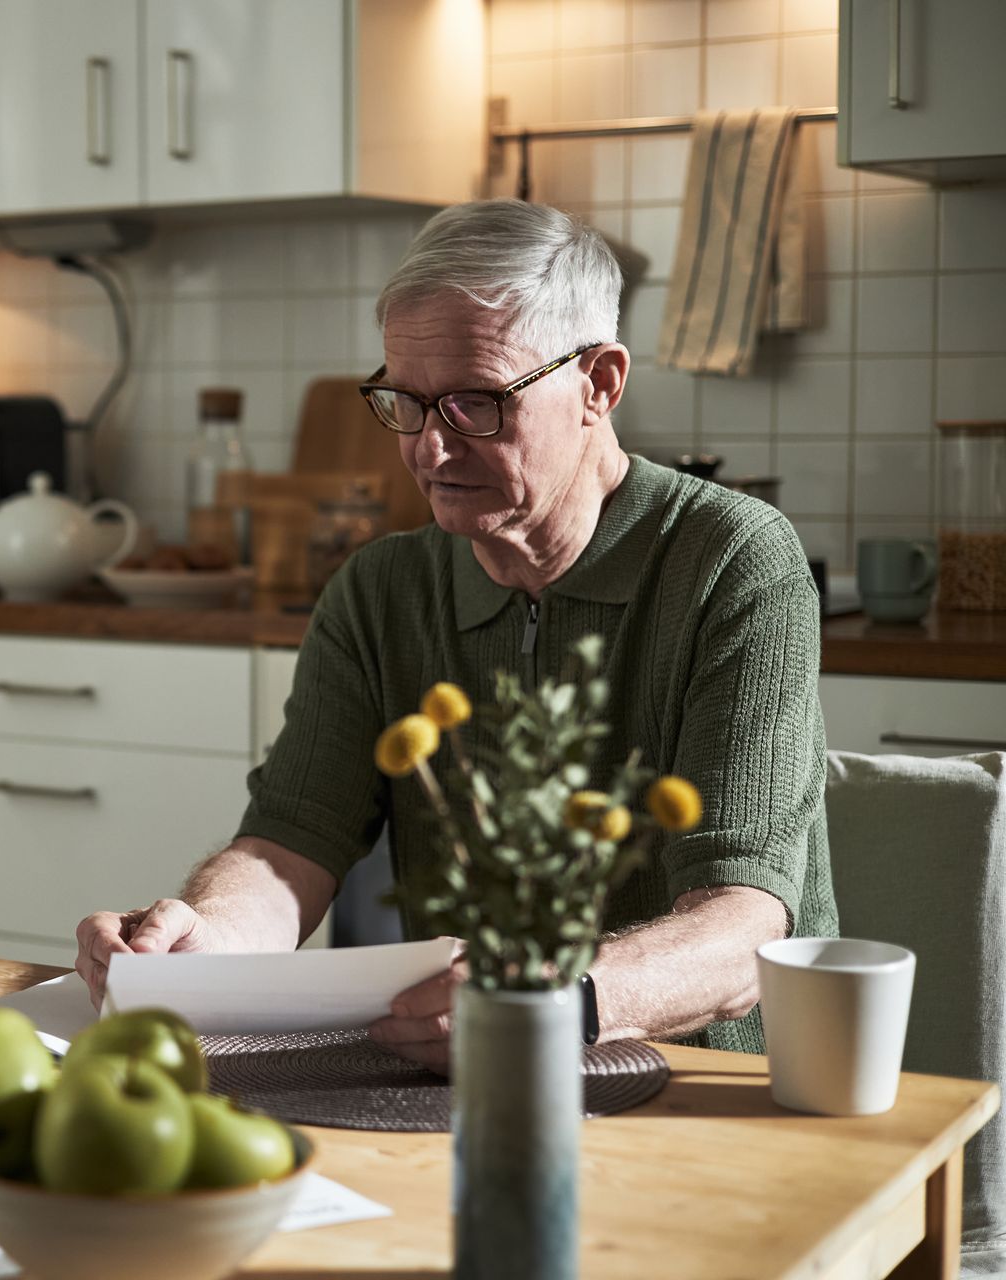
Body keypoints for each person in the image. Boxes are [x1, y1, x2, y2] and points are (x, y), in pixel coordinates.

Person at [76, 201, 835, 1069]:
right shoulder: (380, 590)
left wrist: (547, 1004)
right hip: (457, 1080)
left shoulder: (732, 560)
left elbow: (742, 931)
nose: (430, 451)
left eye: (477, 403)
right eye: (407, 401)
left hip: (710, 1086)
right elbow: (290, 845)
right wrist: (202, 943)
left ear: (601, 383)